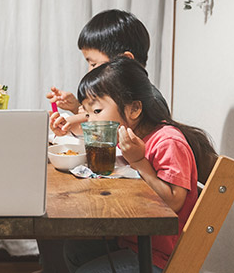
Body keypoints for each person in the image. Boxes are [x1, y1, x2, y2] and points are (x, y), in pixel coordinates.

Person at [38, 57, 217, 272]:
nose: (90, 120)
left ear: (134, 110)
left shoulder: (167, 141)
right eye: (86, 112)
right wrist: (68, 125)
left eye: (95, 111)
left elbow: (173, 203)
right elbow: (88, 126)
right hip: (134, 240)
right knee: (75, 249)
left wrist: (139, 161)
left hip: (158, 255)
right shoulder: (128, 133)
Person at [47, 9, 169, 137]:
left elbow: (110, 130)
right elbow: (103, 122)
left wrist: (71, 122)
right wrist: (77, 106)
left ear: (126, 60)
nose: (90, 71)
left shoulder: (153, 102)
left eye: (94, 64)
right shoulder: (122, 97)